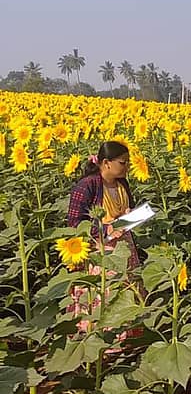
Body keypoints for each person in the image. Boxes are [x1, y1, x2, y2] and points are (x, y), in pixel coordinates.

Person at [66, 140, 142, 336]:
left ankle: (126, 338)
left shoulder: (122, 183)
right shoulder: (87, 185)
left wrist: (131, 215)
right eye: (123, 162)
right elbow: (75, 223)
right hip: (100, 251)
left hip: (125, 247)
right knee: (104, 293)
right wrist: (105, 229)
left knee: (125, 292)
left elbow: (125, 208)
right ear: (107, 163)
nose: (127, 167)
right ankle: (102, 339)